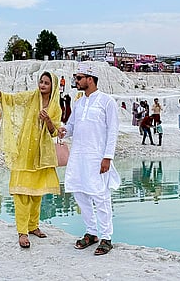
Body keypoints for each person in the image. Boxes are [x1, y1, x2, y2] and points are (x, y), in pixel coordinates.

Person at [0, 71, 61, 249]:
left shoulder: (56, 106)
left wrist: (48, 119)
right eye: (41, 82)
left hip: (40, 154)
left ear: (53, 86)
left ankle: (33, 226)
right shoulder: (30, 97)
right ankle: (22, 232)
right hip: (24, 152)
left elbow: (54, 131)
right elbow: (10, 99)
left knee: (36, 193)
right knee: (22, 193)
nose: (42, 85)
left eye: (46, 83)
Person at [57, 63, 120, 256]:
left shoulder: (107, 102)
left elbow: (113, 131)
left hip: (97, 157)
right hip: (78, 157)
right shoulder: (79, 103)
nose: (76, 81)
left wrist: (107, 157)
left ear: (90, 79)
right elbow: (72, 126)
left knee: (100, 196)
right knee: (80, 194)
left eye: (79, 78)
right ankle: (91, 233)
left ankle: (106, 237)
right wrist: (63, 131)